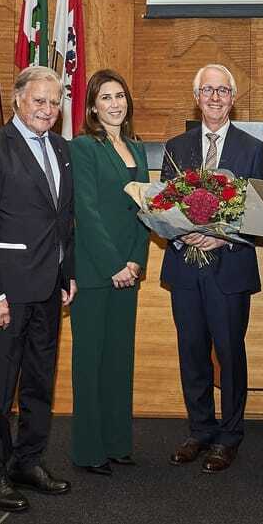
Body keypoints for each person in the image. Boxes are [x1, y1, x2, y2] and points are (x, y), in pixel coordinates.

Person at [0, 66, 76, 513]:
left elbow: (64, 219)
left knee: (39, 384)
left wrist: (68, 274)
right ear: (18, 100)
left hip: (49, 289)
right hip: (6, 293)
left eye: (55, 102)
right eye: (39, 100)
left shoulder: (61, 148)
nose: (48, 109)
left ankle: (28, 462)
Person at [161, 64, 263, 473]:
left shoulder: (253, 149)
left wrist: (224, 237)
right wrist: (183, 233)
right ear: (197, 97)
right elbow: (163, 204)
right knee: (192, 353)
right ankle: (200, 430)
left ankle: (229, 435)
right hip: (185, 269)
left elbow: (258, 211)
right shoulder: (176, 146)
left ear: (233, 98)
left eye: (223, 90)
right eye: (208, 90)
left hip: (230, 268)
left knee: (230, 353)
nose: (215, 97)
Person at [68, 69, 151, 476]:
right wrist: (114, 265)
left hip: (127, 273)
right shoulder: (83, 147)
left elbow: (146, 210)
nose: (115, 104)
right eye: (106, 98)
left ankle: (118, 444)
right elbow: (85, 212)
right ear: (92, 107)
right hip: (95, 271)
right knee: (90, 363)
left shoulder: (137, 148)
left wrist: (135, 261)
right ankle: (89, 450)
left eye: (120, 96)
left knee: (119, 361)